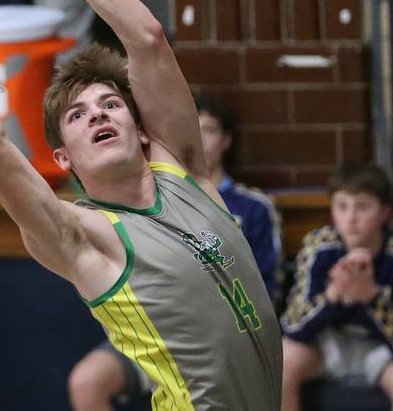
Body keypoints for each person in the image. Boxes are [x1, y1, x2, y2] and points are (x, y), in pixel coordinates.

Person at [0, 0, 282, 406]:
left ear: (142, 132)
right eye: (77, 116)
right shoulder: (80, 235)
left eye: (111, 104)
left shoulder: (184, 170)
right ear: (62, 156)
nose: (98, 115)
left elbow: (145, 38)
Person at [67, 96, 283, 410]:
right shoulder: (139, 197)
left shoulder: (252, 206)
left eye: (208, 129)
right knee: (87, 379)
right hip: (162, 335)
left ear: (225, 141)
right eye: (195, 126)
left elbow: (268, 283)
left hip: (233, 324)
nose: (199, 134)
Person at [281, 162, 393, 411]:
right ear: (332, 212)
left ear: (385, 213)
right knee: (283, 361)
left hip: (379, 349)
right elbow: (293, 325)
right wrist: (333, 296)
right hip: (328, 343)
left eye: (363, 207)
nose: (351, 218)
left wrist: (371, 297)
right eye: (342, 207)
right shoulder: (320, 246)